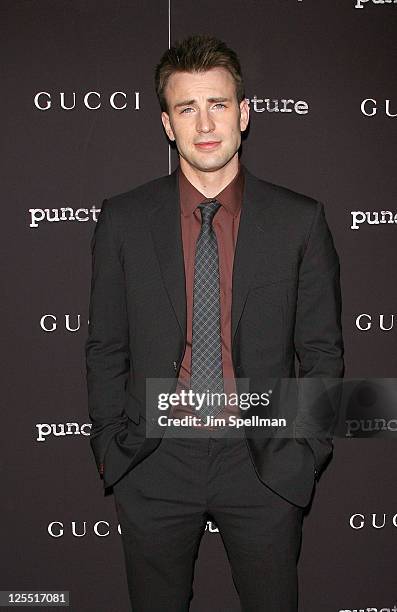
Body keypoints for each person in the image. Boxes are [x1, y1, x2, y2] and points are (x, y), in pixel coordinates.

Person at [85, 34, 344, 612]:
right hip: (153, 460)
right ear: (167, 124)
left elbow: (322, 353)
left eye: (218, 104)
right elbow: (106, 344)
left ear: (244, 114)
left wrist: (304, 450)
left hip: (261, 460)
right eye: (186, 107)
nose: (204, 123)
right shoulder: (124, 219)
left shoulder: (299, 220)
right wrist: (111, 445)